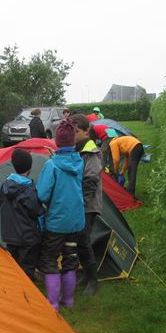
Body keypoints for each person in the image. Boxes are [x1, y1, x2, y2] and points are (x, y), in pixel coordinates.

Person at [36, 119, 85, 310]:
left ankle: (53, 303)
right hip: (76, 222)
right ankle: (68, 300)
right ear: (73, 142)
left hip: (57, 223)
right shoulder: (79, 162)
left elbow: (42, 194)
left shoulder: (52, 165)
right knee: (70, 257)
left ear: (57, 142)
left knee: (50, 259)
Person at [0, 149, 44, 281]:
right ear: (30, 168)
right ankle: (26, 291)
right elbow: (36, 211)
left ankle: (15, 289)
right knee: (27, 268)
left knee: (15, 267)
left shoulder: (5, 185)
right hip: (27, 237)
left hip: (10, 235)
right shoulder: (28, 189)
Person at [71, 114, 103, 296]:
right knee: (78, 240)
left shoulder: (91, 152)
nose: (73, 135)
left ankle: (93, 280)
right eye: (71, 131)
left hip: (88, 204)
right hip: (77, 204)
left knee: (83, 239)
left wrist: (82, 202)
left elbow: (91, 179)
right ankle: (86, 272)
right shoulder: (76, 149)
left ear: (86, 131)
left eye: (76, 131)